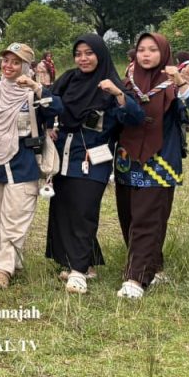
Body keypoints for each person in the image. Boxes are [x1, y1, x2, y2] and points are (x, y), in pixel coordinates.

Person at [46, 34, 143, 294]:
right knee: (64, 209)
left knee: (84, 210)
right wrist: (47, 128)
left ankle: (78, 273)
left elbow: (134, 118)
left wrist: (118, 95)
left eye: (89, 53)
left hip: (94, 158)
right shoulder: (68, 79)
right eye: (78, 53)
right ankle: (82, 263)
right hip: (64, 154)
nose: (83, 58)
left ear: (100, 54)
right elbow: (48, 104)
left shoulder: (112, 84)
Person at [114, 33, 189, 299]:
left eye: (153, 49)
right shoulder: (127, 83)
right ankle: (153, 265)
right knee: (129, 217)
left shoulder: (173, 85)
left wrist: (182, 87)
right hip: (127, 162)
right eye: (141, 49)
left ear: (164, 53)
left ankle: (136, 278)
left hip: (160, 163)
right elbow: (114, 120)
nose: (146, 54)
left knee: (148, 218)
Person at [0, 43, 63, 289]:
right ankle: (9, 260)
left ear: (26, 67)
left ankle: (2, 270)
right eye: (6, 60)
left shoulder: (34, 93)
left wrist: (38, 88)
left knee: (15, 217)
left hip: (24, 162)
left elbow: (59, 109)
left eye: (16, 62)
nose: (9, 66)